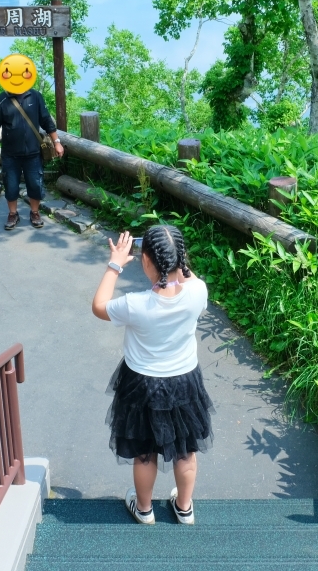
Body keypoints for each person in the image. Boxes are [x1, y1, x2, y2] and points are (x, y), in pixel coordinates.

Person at [91, 225, 214, 525]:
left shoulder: (136, 305)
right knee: (185, 450)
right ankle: (184, 508)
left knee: (144, 452)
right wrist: (178, 260)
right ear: (181, 258)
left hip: (142, 384)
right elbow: (188, 277)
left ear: (146, 261)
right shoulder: (198, 292)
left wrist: (115, 264)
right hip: (184, 381)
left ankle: (144, 510)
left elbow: (99, 306)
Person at [0, 53, 64, 230]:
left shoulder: (35, 96)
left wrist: (57, 142)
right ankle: (13, 214)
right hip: (10, 154)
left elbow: (46, 121)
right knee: (11, 185)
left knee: (35, 184)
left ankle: (35, 212)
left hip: (33, 153)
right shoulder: (0, 100)